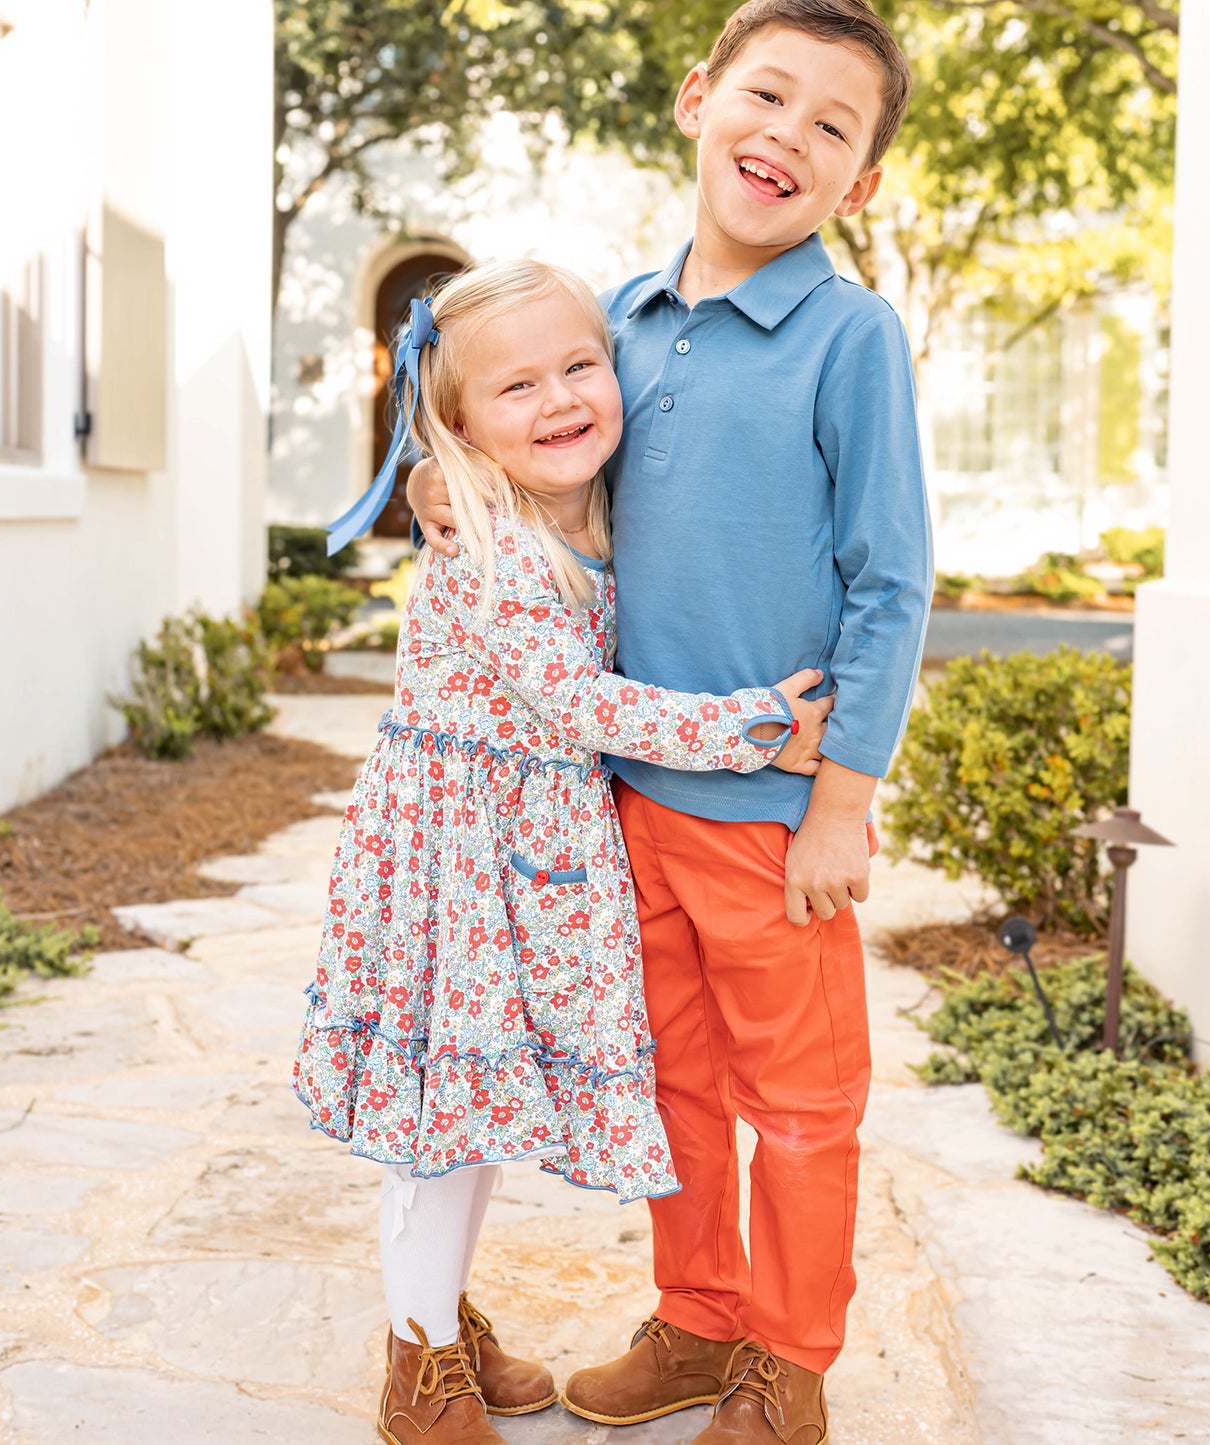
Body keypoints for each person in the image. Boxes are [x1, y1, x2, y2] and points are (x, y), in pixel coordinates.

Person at [407, 3, 934, 1441]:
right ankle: (699, 1318)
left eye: (833, 126)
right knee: (676, 1088)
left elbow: (893, 581)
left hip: (771, 816)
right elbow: (518, 423)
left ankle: (789, 1359)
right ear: (700, 99)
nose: (788, 136)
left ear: (861, 184)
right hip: (619, 802)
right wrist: (438, 479)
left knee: (803, 1107)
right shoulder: (619, 323)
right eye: (766, 96)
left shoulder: (850, 335)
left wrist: (841, 798)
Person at [291, 257, 834, 1445]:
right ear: (458, 423)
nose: (557, 400)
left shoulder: (582, 503)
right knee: (440, 1115)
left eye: (578, 367)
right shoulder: (487, 540)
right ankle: (415, 1362)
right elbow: (576, 698)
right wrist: (748, 727)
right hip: (451, 868)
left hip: (510, 864)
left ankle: (436, 1314)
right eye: (515, 387)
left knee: (470, 1108)